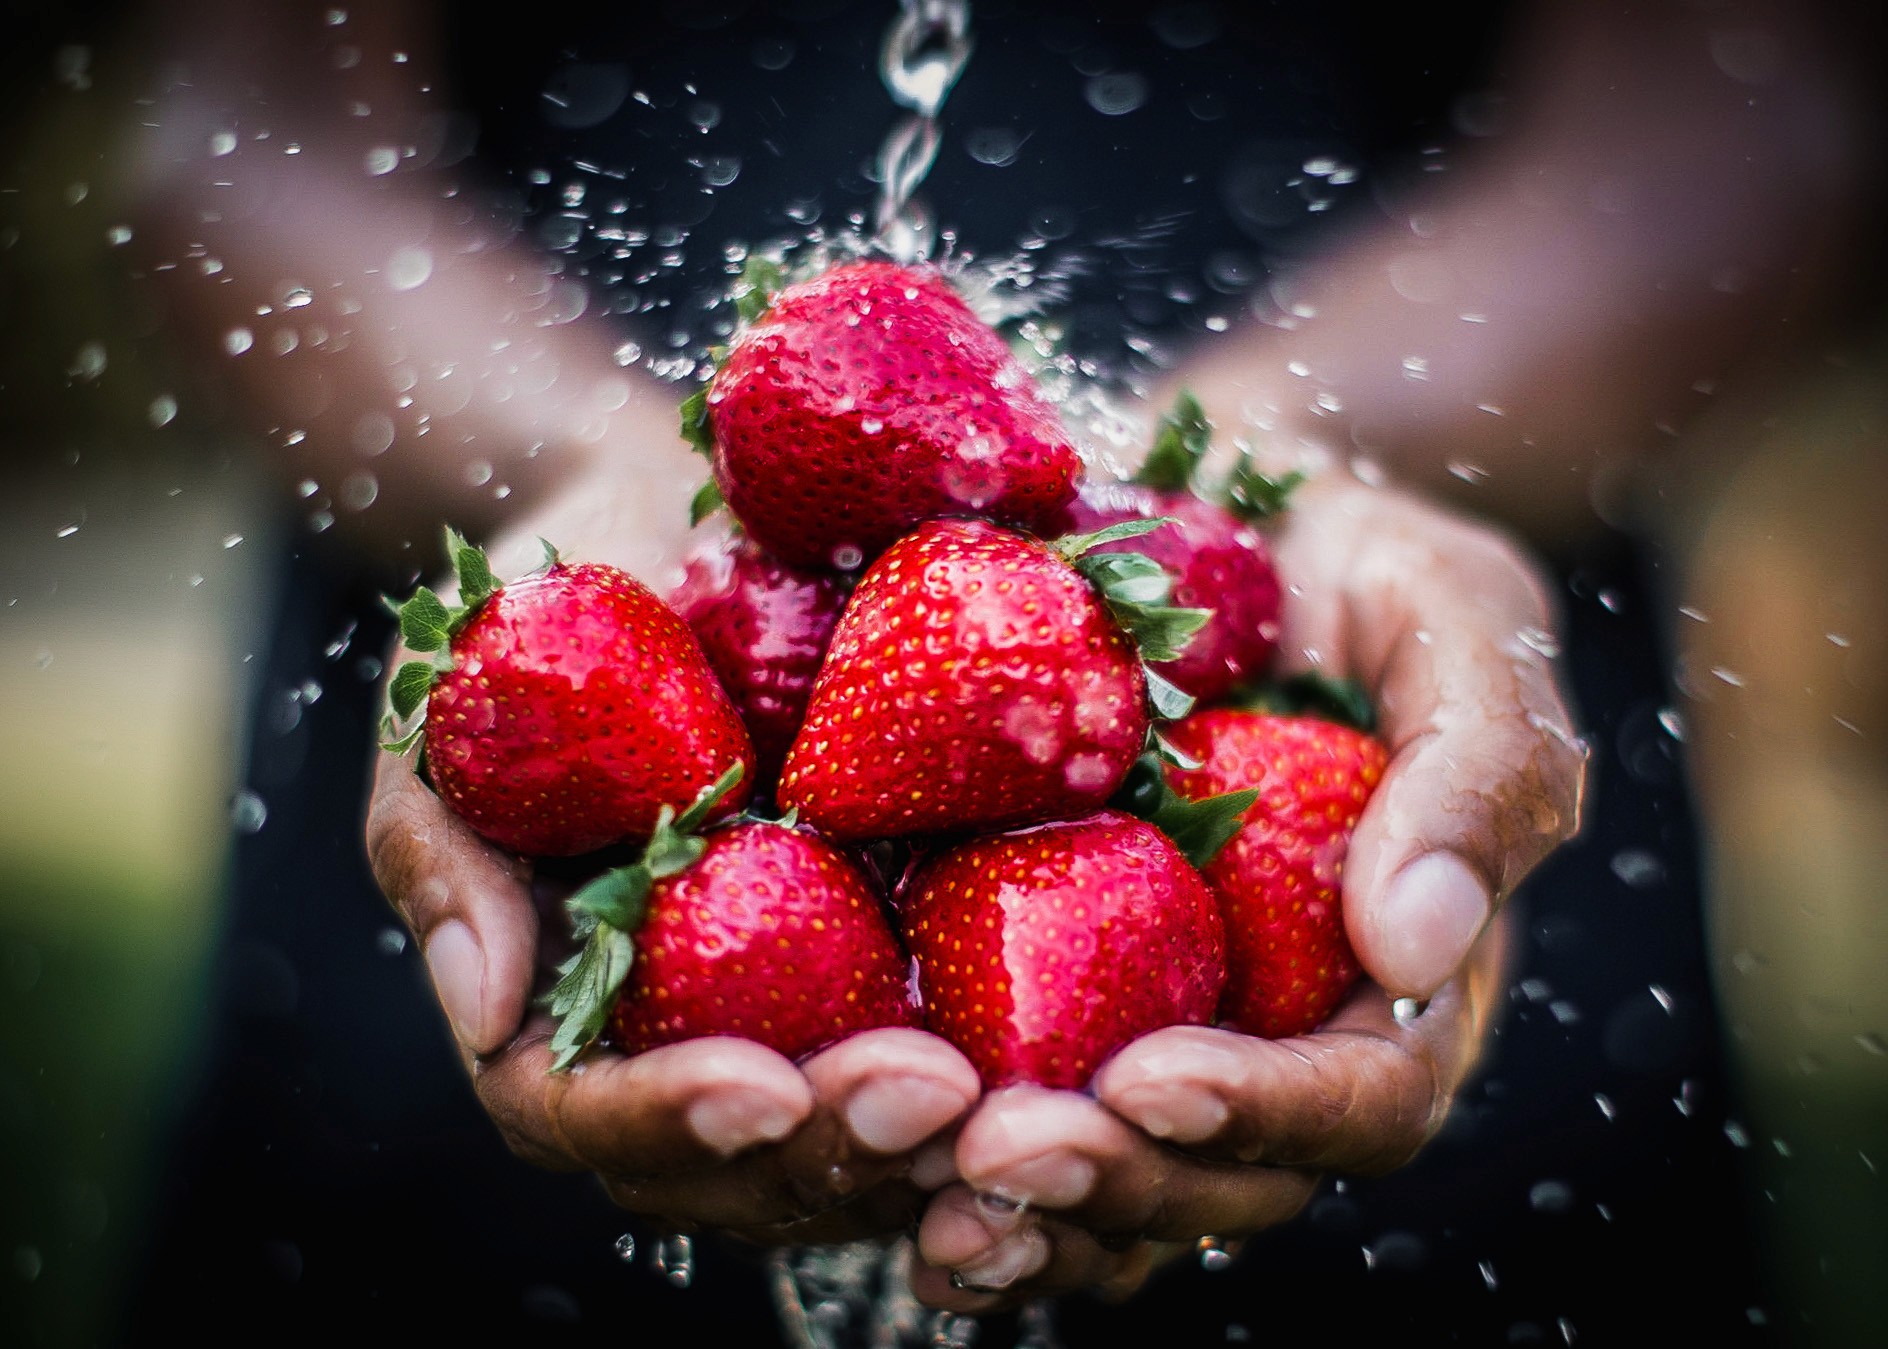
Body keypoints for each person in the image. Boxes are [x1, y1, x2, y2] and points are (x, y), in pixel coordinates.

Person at [113, 0, 1883, 1341]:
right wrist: (595, 456)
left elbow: (1743, 116)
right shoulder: (714, 628)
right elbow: (239, 140)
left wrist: (1257, 443)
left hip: (1377, 671)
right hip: (513, 902)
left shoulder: (1094, 618)